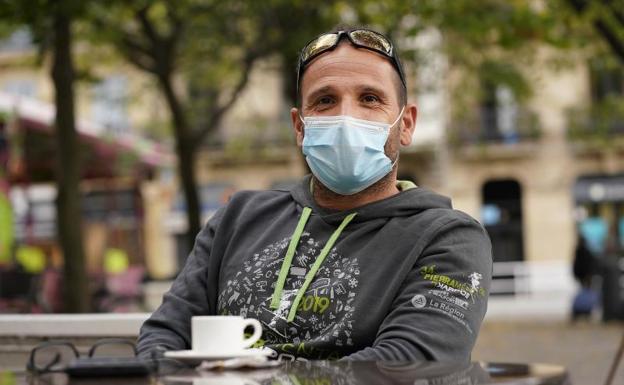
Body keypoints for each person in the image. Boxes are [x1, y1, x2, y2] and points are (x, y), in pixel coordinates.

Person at [137, 26, 492, 362]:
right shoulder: (237, 218)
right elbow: (163, 337)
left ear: (406, 124)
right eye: (324, 100)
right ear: (298, 126)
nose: (345, 117)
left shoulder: (450, 239)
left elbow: (407, 364)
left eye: (370, 99)